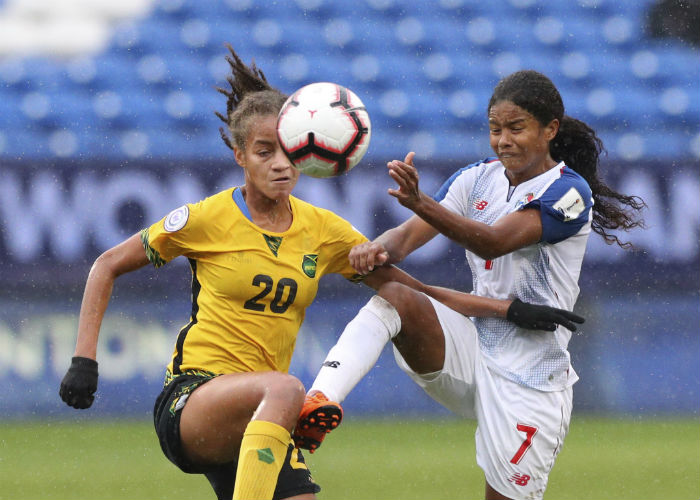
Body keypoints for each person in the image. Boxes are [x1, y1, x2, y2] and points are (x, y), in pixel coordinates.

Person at [57, 48, 582, 500]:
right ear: (239, 155)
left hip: (266, 420)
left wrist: (506, 309)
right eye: (264, 152)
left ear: (308, 153)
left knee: (293, 388)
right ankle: (314, 399)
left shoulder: (323, 231)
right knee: (287, 388)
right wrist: (84, 358)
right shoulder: (203, 218)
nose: (280, 165)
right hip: (197, 397)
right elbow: (106, 264)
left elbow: (408, 292)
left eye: (287, 153)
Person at [296, 70, 645, 500]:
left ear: (550, 129)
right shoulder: (476, 178)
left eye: (516, 128)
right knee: (395, 299)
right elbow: (403, 241)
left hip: (531, 377)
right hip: (472, 348)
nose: (503, 140)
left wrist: (420, 202)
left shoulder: (569, 194)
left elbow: (493, 241)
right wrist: (376, 249)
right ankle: (318, 399)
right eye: (495, 129)